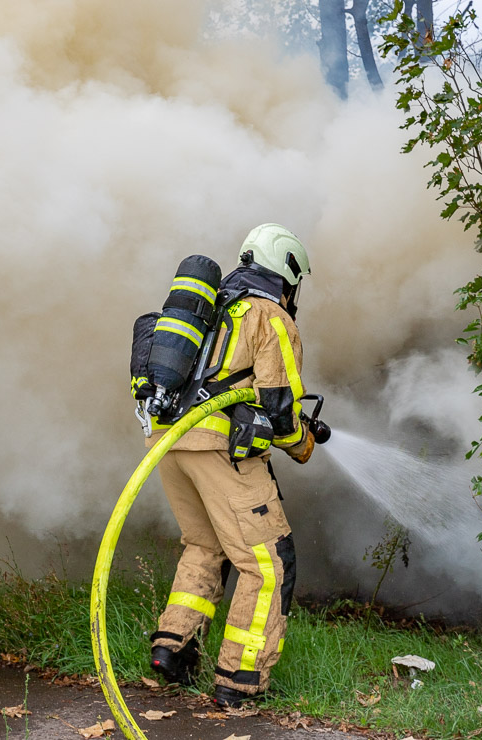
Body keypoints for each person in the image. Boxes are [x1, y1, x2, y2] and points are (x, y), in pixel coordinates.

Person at [148, 223, 317, 707]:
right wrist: (303, 444)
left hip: (170, 443)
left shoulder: (213, 309)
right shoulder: (269, 316)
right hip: (220, 449)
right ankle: (240, 678)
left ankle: (173, 650)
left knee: (205, 546)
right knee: (269, 565)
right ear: (286, 273)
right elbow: (279, 409)